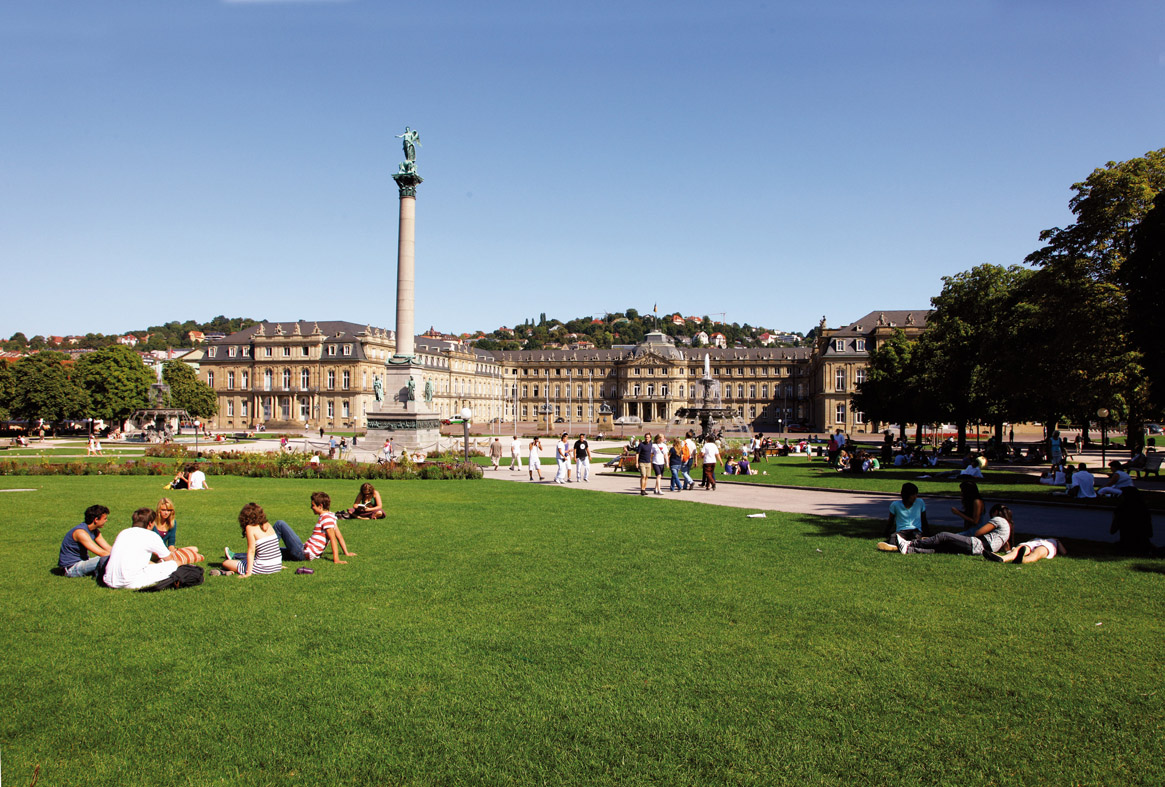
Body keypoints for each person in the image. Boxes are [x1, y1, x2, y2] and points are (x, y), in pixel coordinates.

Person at [102, 507, 180, 590]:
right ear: (150, 523)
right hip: (130, 582)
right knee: (174, 564)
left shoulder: (123, 533)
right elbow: (169, 559)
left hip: (109, 580)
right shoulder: (151, 536)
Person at [899, 504, 1013, 556]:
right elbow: (1006, 546)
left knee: (943, 536)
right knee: (944, 549)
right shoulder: (1008, 527)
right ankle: (910, 550)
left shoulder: (998, 519)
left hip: (977, 544)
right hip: (981, 550)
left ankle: (910, 544)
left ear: (996, 512)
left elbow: (979, 532)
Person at [222, 505, 283, 577]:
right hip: (277, 565)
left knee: (226, 563)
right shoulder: (267, 525)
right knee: (246, 560)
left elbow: (251, 551)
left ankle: (247, 568)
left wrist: (248, 573)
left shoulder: (250, 528)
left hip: (262, 568)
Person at [58, 504, 112, 578]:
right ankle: (99, 575)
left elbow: (108, 548)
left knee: (106, 558)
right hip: (71, 568)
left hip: (83, 562)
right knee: (104, 559)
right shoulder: (80, 533)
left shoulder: (95, 531)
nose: (106, 520)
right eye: (105, 518)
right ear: (96, 520)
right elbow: (101, 553)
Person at [302, 492, 356, 564]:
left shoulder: (326, 518)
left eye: (313, 505)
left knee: (281, 525)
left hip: (307, 552)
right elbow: (339, 537)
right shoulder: (331, 516)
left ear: (320, 506)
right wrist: (346, 553)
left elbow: (333, 539)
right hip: (305, 550)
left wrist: (336, 560)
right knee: (282, 550)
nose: (311, 507)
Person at [877, 483, 930, 551]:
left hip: (915, 530)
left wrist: (927, 533)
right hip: (902, 531)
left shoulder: (920, 502)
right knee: (893, 537)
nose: (915, 497)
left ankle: (902, 546)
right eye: (913, 495)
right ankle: (904, 546)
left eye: (916, 494)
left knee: (916, 538)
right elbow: (891, 521)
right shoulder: (895, 505)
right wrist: (886, 533)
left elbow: (924, 519)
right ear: (906, 495)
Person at [1110, 487, 1154, 554]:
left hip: (1126, 543)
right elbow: (1150, 532)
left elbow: (1113, 530)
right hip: (1143, 544)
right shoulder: (1143, 509)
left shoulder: (1121, 509)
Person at [986, 537, 1065, 564]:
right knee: (1018, 550)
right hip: (1033, 543)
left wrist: (1058, 541)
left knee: (1035, 554)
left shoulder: (1055, 541)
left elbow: (1064, 552)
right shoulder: (1037, 538)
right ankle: (1002, 558)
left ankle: (1022, 559)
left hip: (1047, 546)